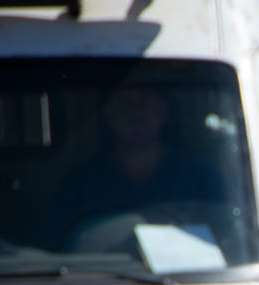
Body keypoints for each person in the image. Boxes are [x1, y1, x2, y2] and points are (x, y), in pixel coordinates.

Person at [42, 83, 226, 255]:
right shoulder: (78, 187)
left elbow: (228, 244)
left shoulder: (203, 178)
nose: (136, 113)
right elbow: (51, 254)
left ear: (163, 111)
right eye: (125, 104)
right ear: (108, 113)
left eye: (144, 103)